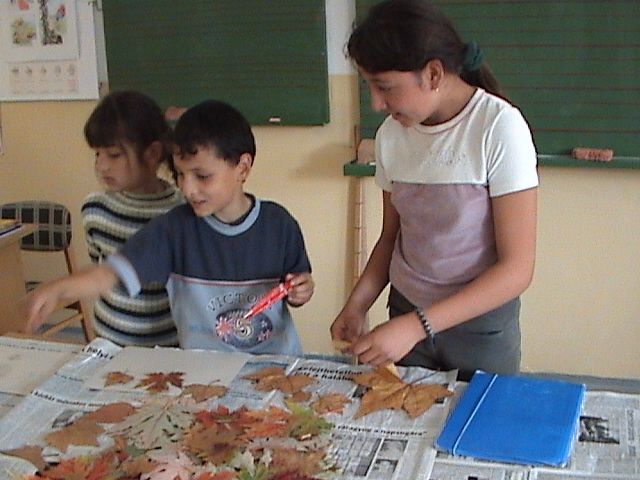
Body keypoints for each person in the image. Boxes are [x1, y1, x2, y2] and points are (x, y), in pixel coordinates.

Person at [331, 0, 538, 380]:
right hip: (405, 313)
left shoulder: (498, 127)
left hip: (479, 327)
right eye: (369, 86)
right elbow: (391, 237)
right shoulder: (391, 135)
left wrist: (416, 326)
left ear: (433, 74)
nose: (376, 103)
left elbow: (517, 269)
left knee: (477, 417)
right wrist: (358, 304)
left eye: (385, 87)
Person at [27, 99, 315, 355]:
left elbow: (299, 284)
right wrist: (58, 289)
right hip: (204, 368)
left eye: (202, 176)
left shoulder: (279, 224)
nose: (188, 189)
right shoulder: (174, 229)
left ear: (242, 168)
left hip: (275, 363)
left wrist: (302, 291)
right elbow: (111, 274)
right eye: (180, 175)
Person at [81, 90, 184, 347]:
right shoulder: (94, 209)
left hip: (167, 348)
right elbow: (101, 270)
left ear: (152, 153)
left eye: (114, 155)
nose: (102, 166)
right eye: (98, 154)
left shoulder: (182, 211)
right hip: (109, 342)